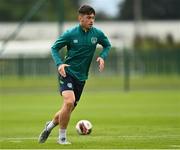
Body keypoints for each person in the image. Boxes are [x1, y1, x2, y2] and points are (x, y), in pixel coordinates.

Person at [38, 4, 111, 145]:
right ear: (80, 18)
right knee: (69, 102)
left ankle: (50, 126)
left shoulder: (97, 34)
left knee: (67, 108)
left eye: (93, 18)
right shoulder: (70, 34)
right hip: (67, 73)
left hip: (81, 77)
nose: (91, 20)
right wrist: (59, 63)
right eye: (88, 17)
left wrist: (103, 56)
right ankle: (62, 138)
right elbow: (54, 48)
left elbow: (107, 45)